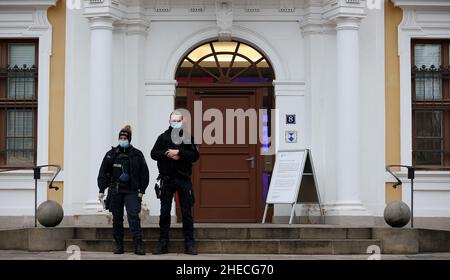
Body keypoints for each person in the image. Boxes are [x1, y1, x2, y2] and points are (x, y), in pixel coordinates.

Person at [151, 111, 200, 255]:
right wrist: (166, 152)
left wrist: (179, 152)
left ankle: (189, 244)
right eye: (173, 120)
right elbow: (153, 153)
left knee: (186, 212)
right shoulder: (163, 137)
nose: (175, 122)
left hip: (183, 179)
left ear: (182, 121)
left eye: (178, 120)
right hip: (167, 179)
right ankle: (163, 243)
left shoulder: (187, 137)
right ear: (169, 120)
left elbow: (194, 155)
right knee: (164, 212)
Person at [97, 125, 149, 255]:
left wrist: (142, 190)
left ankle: (138, 245)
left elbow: (144, 173)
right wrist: (101, 189)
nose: (122, 139)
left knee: (133, 216)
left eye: (125, 137)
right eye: (120, 137)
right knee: (117, 218)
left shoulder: (137, 154)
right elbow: (103, 172)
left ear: (129, 139)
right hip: (116, 189)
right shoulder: (111, 154)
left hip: (131, 190)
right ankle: (119, 245)